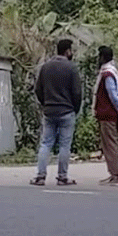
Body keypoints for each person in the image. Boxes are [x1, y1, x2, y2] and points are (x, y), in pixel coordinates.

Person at [30, 39, 82, 186]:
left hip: (49, 111)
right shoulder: (71, 68)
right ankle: (62, 177)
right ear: (67, 51)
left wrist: (45, 103)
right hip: (66, 111)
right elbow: (77, 92)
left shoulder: (45, 67)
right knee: (64, 145)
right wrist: (75, 108)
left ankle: (40, 176)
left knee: (46, 143)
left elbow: (38, 89)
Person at [92, 46, 118, 185]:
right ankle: (113, 173)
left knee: (110, 144)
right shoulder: (113, 71)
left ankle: (115, 174)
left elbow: (113, 95)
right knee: (110, 144)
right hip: (110, 114)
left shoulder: (107, 74)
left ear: (103, 57)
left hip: (108, 115)